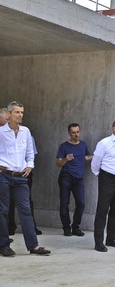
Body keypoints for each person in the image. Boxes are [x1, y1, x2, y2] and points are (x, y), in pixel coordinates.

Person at [0, 102, 50, 257]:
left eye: (22, 112)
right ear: (9, 114)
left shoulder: (25, 131)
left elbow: (29, 151)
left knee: (26, 210)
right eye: (17, 112)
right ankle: (4, 245)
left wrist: (30, 165)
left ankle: (33, 246)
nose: (20, 115)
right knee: (3, 211)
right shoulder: (1, 132)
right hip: (4, 175)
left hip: (21, 177)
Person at [91, 119, 115, 252]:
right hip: (107, 178)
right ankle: (98, 242)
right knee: (102, 210)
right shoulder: (104, 143)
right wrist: (99, 174)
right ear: (113, 128)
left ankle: (111, 239)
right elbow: (96, 161)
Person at [56, 123, 92, 237]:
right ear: (69, 133)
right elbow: (58, 163)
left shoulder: (83, 145)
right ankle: (66, 228)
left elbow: (86, 157)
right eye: (73, 132)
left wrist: (96, 156)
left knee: (81, 204)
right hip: (66, 178)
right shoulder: (64, 146)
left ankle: (75, 227)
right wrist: (65, 159)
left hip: (79, 178)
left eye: (78, 132)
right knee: (64, 204)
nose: (76, 134)